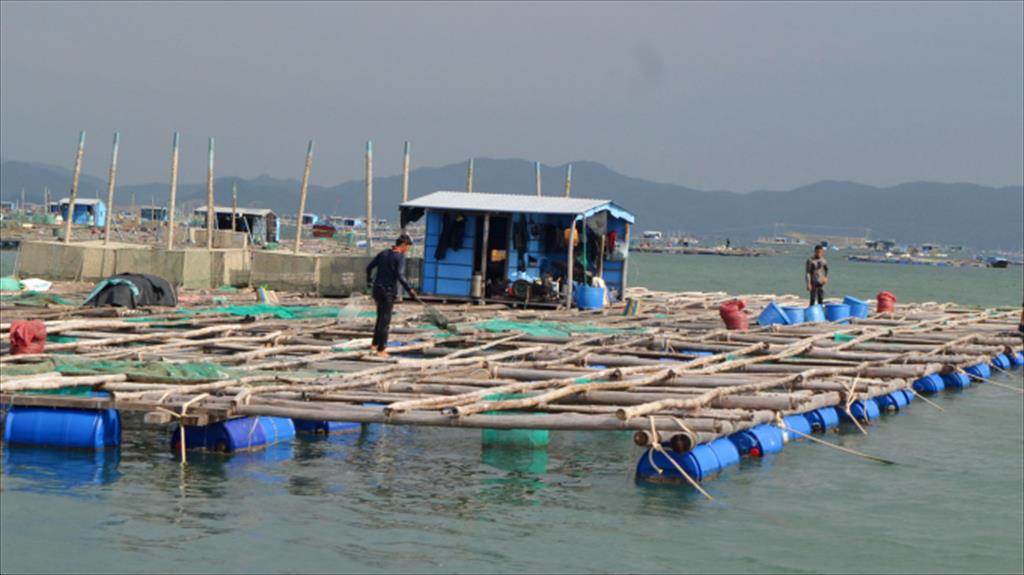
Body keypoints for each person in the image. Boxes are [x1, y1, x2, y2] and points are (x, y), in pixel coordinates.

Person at [366, 234, 415, 357]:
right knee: (385, 320)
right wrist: (409, 290)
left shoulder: (384, 253)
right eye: (407, 246)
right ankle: (381, 349)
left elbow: (369, 267)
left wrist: (369, 280)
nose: (407, 249)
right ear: (403, 245)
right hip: (387, 291)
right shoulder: (399, 257)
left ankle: (375, 344)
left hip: (377, 290)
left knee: (380, 318)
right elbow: (400, 275)